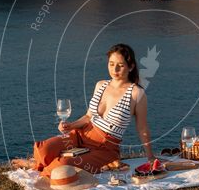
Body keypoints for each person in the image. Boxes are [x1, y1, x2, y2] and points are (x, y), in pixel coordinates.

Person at [13, 44, 156, 178]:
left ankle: (38, 166)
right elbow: (88, 116)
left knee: (63, 165)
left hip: (105, 148)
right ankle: (39, 163)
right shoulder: (100, 85)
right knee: (43, 149)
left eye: (120, 65)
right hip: (80, 135)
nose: (115, 70)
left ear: (130, 67)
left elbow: (142, 128)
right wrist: (70, 125)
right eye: (111, 64)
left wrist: (150, 157)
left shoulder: (136, 94)